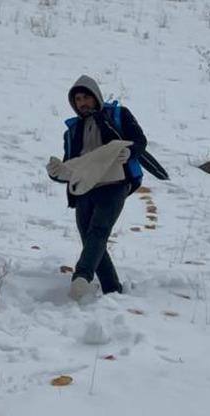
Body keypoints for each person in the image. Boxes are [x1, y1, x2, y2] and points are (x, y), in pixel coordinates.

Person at [47, 75, 147, 300]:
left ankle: (81, 278)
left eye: (86, 97)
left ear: (96, 97)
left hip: (115, 184)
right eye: (78, 99)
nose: (82, 103)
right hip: (84, 189)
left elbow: (140, 141)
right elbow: (71, 167)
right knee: (90, 238)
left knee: (99, 231)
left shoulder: (118, 116)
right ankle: (112, 289)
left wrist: (130, 152)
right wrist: (56, 173)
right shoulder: (72, 131)